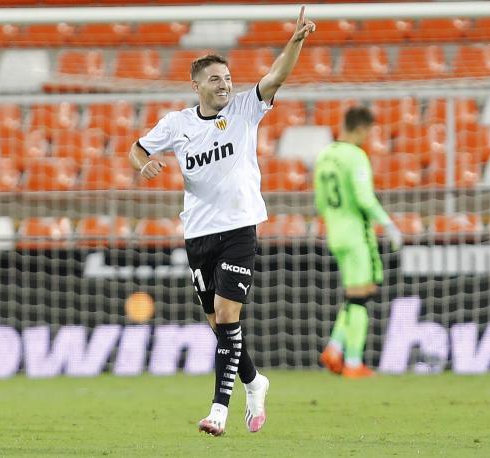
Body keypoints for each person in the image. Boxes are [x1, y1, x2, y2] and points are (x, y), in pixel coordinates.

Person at [128, 6, 316, 437]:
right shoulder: (177, 124)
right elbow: (136, 148)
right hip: (197, 234)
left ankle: (218, 410)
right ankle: (255, 381)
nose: (225, 84)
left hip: (238, 228)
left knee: (229, 317)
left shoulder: (247, 109)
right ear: (196, 86)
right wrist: (145, 164)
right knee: (219, 327)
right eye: (215, 79)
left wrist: (297, 40)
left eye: (228, 78)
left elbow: (275, 76)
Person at [314, 106, 402, 379]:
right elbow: (364, 198)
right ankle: (353, 363)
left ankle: (334, 348)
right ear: (362, 129)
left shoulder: (325, 155)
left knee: (352, 296)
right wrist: (387, 223)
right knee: (362, 297)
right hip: (356, 233)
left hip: (334, 232)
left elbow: (318, 200)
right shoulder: (356, 156)